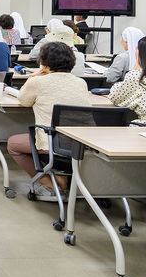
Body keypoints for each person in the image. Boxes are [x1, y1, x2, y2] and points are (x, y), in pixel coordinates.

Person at [6, 42, 91, 195]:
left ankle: (50, 183)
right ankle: (61, 177)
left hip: (52, 145)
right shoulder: (81, 82)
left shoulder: (38, 81)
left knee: (13, 144)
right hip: (81, 145)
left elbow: (23, 100)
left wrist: (32, 77)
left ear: (43, 63)